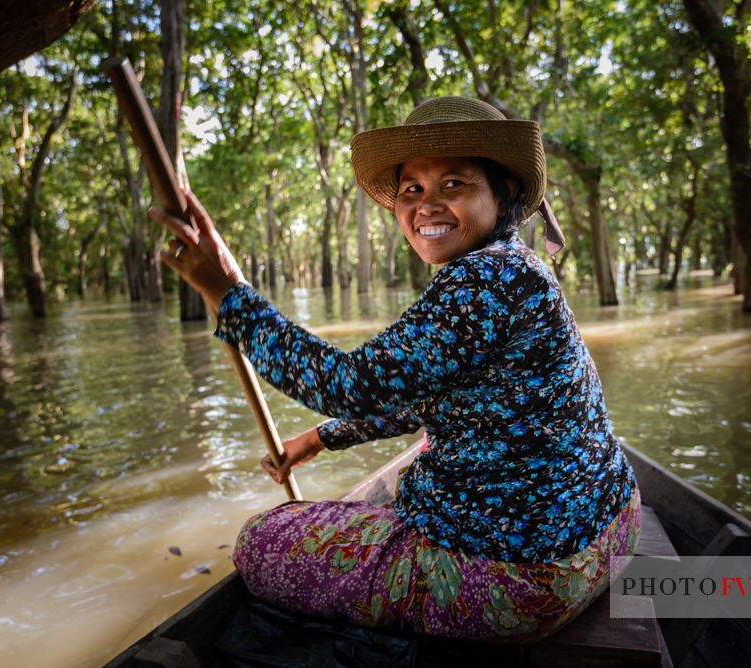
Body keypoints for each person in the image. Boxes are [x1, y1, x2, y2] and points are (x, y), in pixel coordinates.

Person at [149, 96, 640, 642]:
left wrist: (226, 293)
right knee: (429, 455)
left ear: (503, 195)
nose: (427, 205)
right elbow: (422, 395)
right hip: (612, 531)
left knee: (261, 539)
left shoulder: (483, 281)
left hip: (525, 583)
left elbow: (349, 385)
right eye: (413, 189)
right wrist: (321, 439)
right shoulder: (515, 268)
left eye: (454, 184)